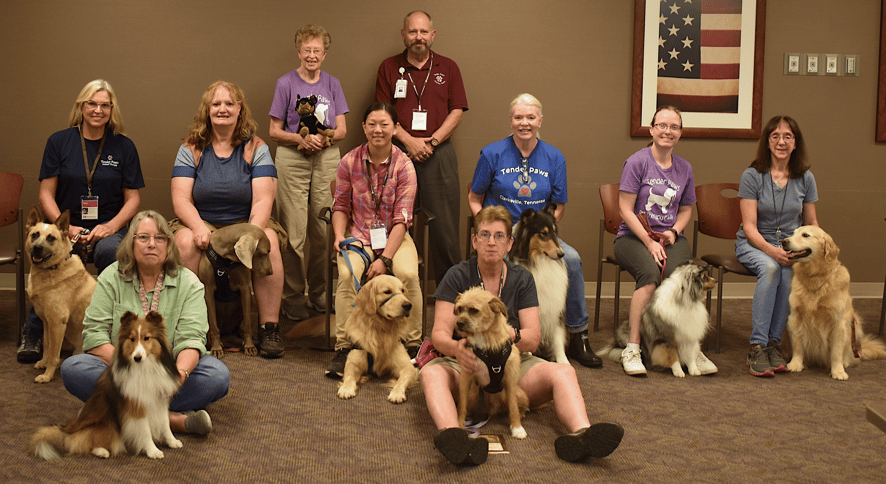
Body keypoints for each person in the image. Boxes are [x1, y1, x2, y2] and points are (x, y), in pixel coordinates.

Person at [421, 205, 623, 465]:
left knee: (564, 372)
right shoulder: (457, 275)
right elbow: (439, 333)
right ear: (474, 240)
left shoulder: (522, 278)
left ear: (510, 242)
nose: (491, 242)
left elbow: (532, 338)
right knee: (431, 373)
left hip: (511, 367)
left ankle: (582, 435)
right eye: (484, 235)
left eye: (499, 236)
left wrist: (510, 334)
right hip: (465, 364)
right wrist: (456, 350)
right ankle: (455, 438)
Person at [60, 210, 230, 435]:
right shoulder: (111, 277)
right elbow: (94, 335)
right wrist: (132, 370)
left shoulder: (190, 283)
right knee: (74, 368)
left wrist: (177, 377)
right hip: (123, 370)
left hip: (168, 374)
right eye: (143, 237)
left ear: (169, 245)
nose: (152, 244)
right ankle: (170, 420)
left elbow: (191, 339)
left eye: (159, 238)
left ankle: (117, 411)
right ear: (131, 243)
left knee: (216, 375)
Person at [468, 93, 601, 368]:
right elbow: (474, 198)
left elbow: (559, 205)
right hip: (503, 231)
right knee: (502, 262)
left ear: (540, 120)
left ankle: (578, 334)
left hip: (537, 232)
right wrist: (487, 229)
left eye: (530, 117)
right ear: (511, 120)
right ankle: (501, 332)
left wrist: (546, 232)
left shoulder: (554, 157)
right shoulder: (492, 153)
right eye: (518, 117)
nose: (524, 123)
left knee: (572, 260)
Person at [18, 79, 144, 364]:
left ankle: (105, 331)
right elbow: (46, 194)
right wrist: (66, 228)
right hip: (63, 227)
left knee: (110, 251)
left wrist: (111, 226)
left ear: (112, 110)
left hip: (108, 226)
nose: (98, 110)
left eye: (104, 105)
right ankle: (34, 331)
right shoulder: (59, 141)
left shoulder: (123, 146)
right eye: (92, 104)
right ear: (81, 106)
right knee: (46, 255)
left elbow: (133, 199)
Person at [170, 80, 287, 359]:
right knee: (184, 242)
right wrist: (199, 228)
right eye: (216, 104)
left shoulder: (256, 147)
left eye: (229, 103)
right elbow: (181, 200)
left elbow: (262, 200)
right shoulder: (191, 148)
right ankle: (195, 328)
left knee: (267, 240)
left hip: (244, 220)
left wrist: (250, 236)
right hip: (203, 221)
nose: (223, 109)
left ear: (239, 109)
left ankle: (269, 328)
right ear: (207, 110)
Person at [324, 103, 422, 379]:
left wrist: (385, 259)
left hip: (394, 237)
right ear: (364, 127)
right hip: (358, 236)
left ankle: (412, 344)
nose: (378, 130)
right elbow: (340, 205)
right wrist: (339, 237)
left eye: (384, 124)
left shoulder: (405, 166)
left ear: (394, 128)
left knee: (408, 275)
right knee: (346, 275)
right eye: (372, 124)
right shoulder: (349, 161)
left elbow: (403, 219)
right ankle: (346, 346)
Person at [614, 106, 715, 376]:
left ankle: (692, 348)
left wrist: (673, 232)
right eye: (662, 125)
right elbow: (625, 208)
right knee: (649, 277)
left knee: (683, 279)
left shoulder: (685, 168)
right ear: (652, 129)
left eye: (674, 127)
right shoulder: (637, 161)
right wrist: (649, 242)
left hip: (669, 237)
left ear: (680, 133)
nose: (667, 131)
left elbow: (685, 210)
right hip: (633, 237)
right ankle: (633, 347)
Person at [375, 10, 467, 285]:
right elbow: (382, 115)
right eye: (413, 32)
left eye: (423, 32)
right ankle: (397, 291)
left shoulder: (448, 67)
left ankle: (450, 296)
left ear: (432, 35)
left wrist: (433, 141)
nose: (418, 37)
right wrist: (410, 142)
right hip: (399, 154)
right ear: (403, 35)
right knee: (397, 224)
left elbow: (458, 111)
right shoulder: (388, 67)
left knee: (446, 228)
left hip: (440, 154)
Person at [269, 24, 349, 322]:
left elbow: (341, 128)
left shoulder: (332, 84)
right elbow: (274, 130)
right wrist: (300, 138)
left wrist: (325, 138)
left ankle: (319, 294)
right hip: (293, 159)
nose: (311, 55)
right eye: (307, 50)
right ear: (298, 52)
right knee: (294, 233)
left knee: (323, 230)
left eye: (317, 50)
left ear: (324, 54)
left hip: (327, 158)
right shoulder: (285, 83)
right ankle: (291, 296)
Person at [736, 115, 818, 377]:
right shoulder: (752, 176)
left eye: (787, 136)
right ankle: (757, 346)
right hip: (755, 242)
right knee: (772, 268)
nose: (781, 142)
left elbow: (811, 222)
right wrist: (773, 251)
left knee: (787, 273)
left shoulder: (805, 178)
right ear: (767, 143)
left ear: (795, 143)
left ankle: (774, 345)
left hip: (790, 244)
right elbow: (749, 227)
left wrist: (804, 251)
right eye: (775, 136)